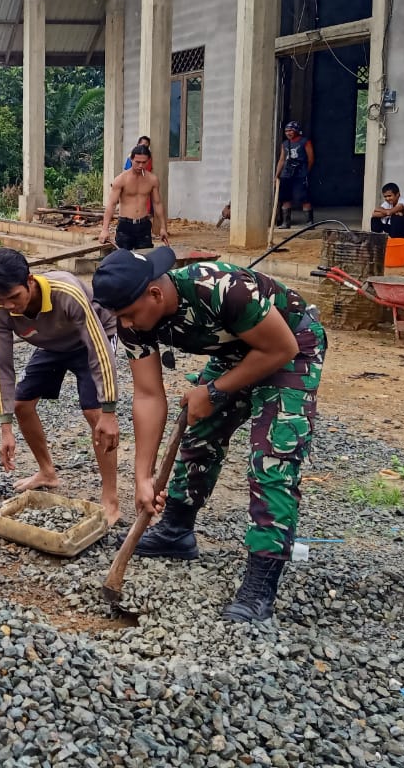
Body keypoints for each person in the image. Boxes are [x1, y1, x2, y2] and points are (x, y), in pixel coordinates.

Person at [92, 246, 327, 622]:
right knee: (199, 430)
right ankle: (175, 532)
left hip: (292, 345)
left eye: (130, 315)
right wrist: (142, 477)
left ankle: (260, 585)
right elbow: (149, 395)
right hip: (238, 350)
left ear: (154, 294)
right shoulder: (131, 318)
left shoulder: (220, 288)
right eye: (122, 318)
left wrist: (215, 391)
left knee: (273, 455)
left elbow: (281, 347)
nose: (128, 325)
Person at [0, 248, 123, 522]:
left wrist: (109, 409)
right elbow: (2, 367)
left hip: (93, 337)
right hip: (51, 345)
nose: (10, 306)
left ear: (30, 281)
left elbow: (98, 349)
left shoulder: (66, 292)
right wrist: (5, 428)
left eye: (15, 297)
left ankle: (110, 496)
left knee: (94, 414)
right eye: (2, 300)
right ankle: (47, 473)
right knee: (22, 404)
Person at [100, 145, 168, 250]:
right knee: (123, 260)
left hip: (144, 225)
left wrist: (163, 227)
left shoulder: (152, 180)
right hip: (125, 225)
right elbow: (112, 204)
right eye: (137, 162)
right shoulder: (121, 179)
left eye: (144, 162)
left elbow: (157, 203)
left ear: (148, 161)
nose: (140, 165)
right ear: (131, 159)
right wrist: (105, 229)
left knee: (144, 260)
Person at [275, 121, 314, 229]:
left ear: (296, 130)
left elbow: (311, 159)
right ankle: (286, 223)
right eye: (286, 131)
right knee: (285, 198)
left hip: (300, 173)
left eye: (291, 130)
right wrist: (277, 175)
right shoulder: (285, 144)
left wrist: (306, 171)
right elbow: (282, 160)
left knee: (304, 197)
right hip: (286, 174)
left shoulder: (305, 142)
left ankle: (309, 223)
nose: (288, 133)